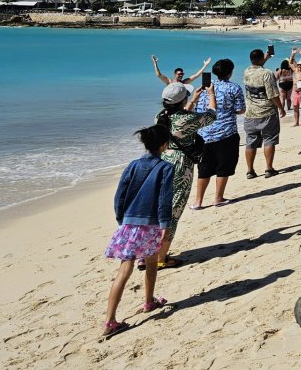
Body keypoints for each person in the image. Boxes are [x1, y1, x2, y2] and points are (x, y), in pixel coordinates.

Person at [103, 124, 174, 339]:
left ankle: (111, 319)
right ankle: (147, 301)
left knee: (125, 269)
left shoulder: (133, 165)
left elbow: (120, 195)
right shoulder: (166, 168)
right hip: (151, 224)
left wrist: (121, 219)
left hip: (129, 223)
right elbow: (164, 200)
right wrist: (165, 225)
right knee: (150, 263)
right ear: (164, 145)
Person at [152, 80, 216, 268]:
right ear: (182, 100)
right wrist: (210, 95)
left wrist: (193, 100)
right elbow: (211, 116)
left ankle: (149, 251)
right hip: (181, 164)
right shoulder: (187, 119)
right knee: (174, 209)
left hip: (162, 160)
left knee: (159, 208)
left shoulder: (160, 117)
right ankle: (161, 258)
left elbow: (179, 118)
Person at [191, 58, 245, 209]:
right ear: (230, 72)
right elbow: (241, 110)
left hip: (204, 134)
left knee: (204, 168)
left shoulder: (204, 88)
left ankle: (198, 201)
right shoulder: (234, 88)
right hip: (225, 132)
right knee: (224, 165)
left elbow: (198, 109)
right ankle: (218, 198)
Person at [242, 48, 285, 179]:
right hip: (267, 112)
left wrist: (266, 57)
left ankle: (250, 170)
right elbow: (272, 94)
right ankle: (268, 168)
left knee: (250, 142)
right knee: (269, 139)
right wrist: (281, 108)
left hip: (250, 113)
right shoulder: (267, 73)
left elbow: (258, 67)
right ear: (261, 59)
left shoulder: (247, 71)